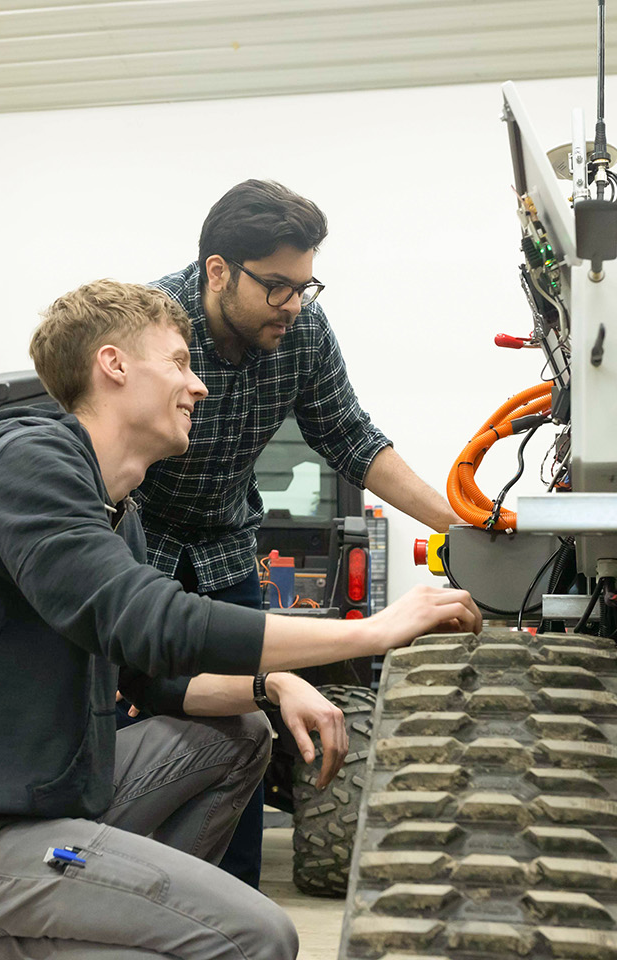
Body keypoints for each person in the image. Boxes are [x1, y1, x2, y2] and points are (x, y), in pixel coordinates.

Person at [0, 279, 481, 960]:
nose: (199, 386)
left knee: (237, 735)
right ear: (114, 364)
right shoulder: (29, 464)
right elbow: (145, 618)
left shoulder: (119, 512)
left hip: (42, 806)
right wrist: (371, 631)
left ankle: (100, 921)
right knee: (257, 936)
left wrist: (272, 686)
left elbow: (154, 682)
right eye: (179, 362)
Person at [134, 180, 466, 886]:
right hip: (138, 547)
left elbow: (350, 436)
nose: (294, 305)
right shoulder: (154, 327)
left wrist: (462, 526)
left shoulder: (303, 333)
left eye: (306, 287)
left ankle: (232, 890)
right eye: (278, 287)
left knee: (248, 722)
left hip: (224, 549)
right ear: (218, 271)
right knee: (129, 707)